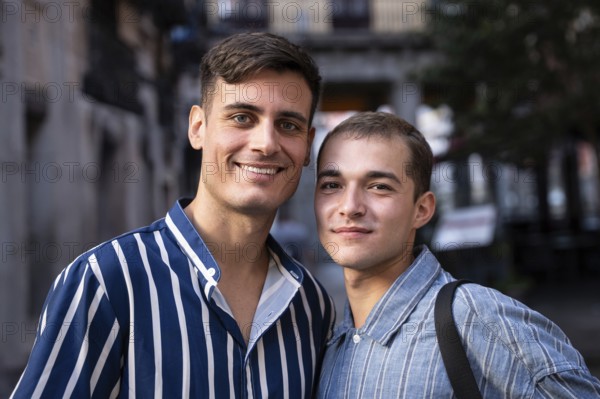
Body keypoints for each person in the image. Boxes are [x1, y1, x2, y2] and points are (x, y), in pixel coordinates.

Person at [11, 32, 334, 398]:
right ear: (198, 127)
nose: (265, 143)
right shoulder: (105, 282)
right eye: (242, 117)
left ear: (307, 146)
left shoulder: (312, 306)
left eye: (288, 125)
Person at [314, 111, 600, 398]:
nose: (349, 207)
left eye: (379, 187)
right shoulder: (328, 347)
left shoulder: (476, 318)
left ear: (422, 209)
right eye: (332, 185)